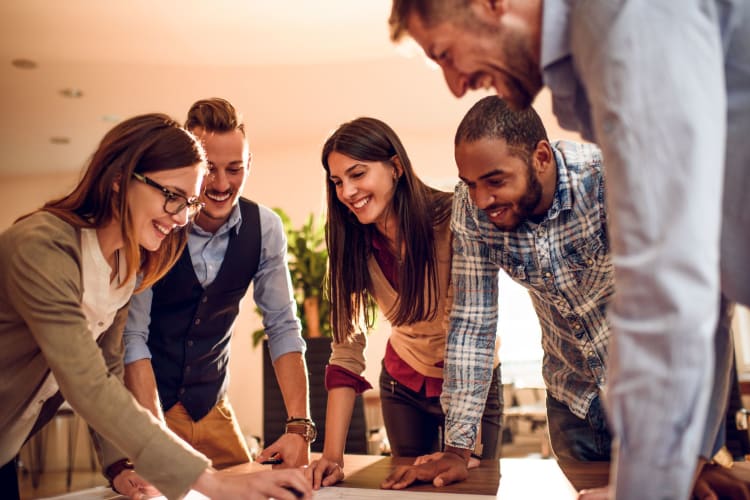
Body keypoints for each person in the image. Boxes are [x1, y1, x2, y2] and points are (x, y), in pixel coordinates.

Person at [387, 1, 749, 498]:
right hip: (574, 398)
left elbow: (672, 294)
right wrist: (458, 445)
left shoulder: (625, 27)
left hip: (645, 387)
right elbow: (472, 322)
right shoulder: (595, 67)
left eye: (445, 53)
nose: (455, 84)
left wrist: (664, 472)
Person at [0, 113, 311, 500]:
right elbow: (87, 383)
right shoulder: (41, 247)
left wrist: (118, 465)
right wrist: (212, 483)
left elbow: (109, 369)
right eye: (172, 197)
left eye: (189, 202)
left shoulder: (126, 266)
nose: (182, 218)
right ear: (118, 181)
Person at [305, 117, 503, 490]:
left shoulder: (454, 219)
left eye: (357, 174)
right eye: (337, 182)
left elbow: (467, 332)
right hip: (403, 383)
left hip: (472, 383)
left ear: (395, 167)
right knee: (407, 491)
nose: (346, 191)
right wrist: (331, 457)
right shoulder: (351, 243)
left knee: (466, 490)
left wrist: (462, 448)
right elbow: (346, 353)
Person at [122, 98, 312, 474]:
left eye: (235, 169)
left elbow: (283, 326)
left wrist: (298, 426)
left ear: (249, 165)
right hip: (151, 406)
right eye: (209, 169)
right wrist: (153, 435)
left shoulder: (266, 229)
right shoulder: (158, 225)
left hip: (213, 407)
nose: (222, 184)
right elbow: (132, 338)